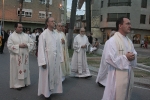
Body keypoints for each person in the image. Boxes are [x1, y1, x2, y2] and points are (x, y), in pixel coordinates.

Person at [102, 17, 137, 100]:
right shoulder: (112, 41)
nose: (130, 26)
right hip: (116, 76)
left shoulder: (129, 41)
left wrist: (133, 56)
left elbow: (134, 53)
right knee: (114, 96)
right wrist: (125, 57)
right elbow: (109, 58)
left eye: (130, 24)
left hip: (128, 74)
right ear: (120, 25)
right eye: (127, 23)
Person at [38, 17, 63, 98]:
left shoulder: (56, 34)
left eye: (54, 21)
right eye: (52, 21)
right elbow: (41, 48)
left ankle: (53, 91)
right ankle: (46, 93)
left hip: (55, 58)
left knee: (55, 74)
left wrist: (60, 58)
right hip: (47, 58)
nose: (53, 22)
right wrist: (43, 62)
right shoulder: (44, 34)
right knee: (47, 76)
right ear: (47, 23)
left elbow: (59, 47)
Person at [7, 22, 34, 90]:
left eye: (21, 27)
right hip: (16, 57)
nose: (21, 28)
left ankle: (24, 83)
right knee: (16, 71)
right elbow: (9, 46)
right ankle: (17, 85)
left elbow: (32, 43)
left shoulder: (25, 35)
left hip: (25, 57)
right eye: (19, 27)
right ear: (15, 28)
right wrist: (19, 46)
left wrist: (27, 45)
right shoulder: (12, 36)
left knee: (25, 69)